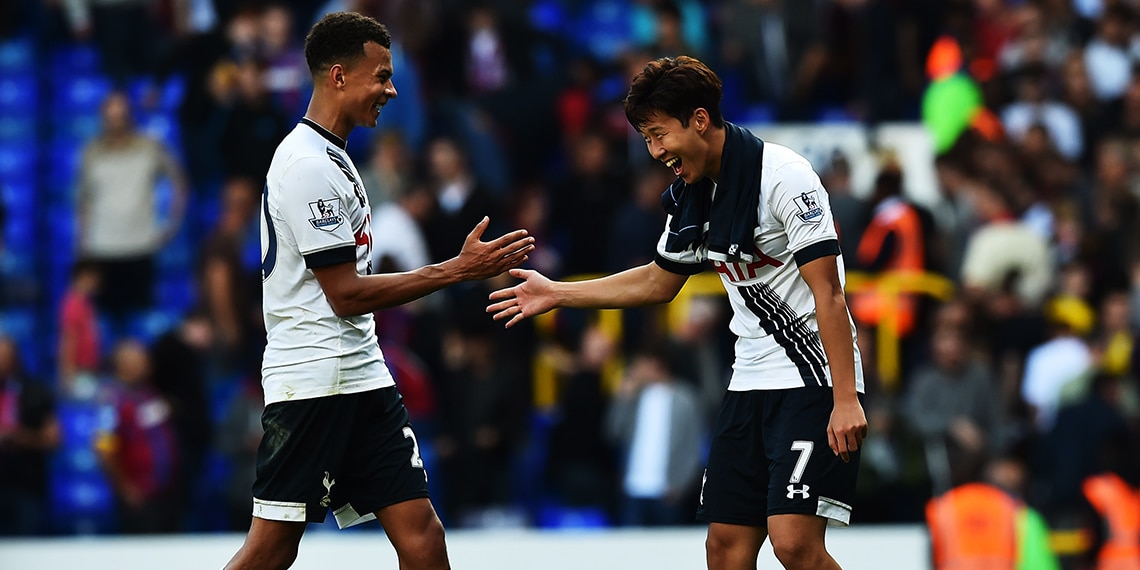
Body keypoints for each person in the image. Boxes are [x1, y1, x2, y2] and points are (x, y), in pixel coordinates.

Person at [488, 55, 867, 570]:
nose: (654, 150)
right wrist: (558, 292)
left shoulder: (785, 177)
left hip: (814, 378)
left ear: (700, 120)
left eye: (659, 134)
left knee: (794, 545)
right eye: (646, 138)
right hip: (750, 382)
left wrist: (845, 399)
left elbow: (830, 294)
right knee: (724, 549)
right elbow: (657, 280)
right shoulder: (693, 195)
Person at [223, 12, 534, 570]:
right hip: (314, 379)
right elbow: (345, 294)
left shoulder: (335, 156)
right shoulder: (307, 165)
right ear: (338, 76)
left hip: (361, 372)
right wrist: (456, 271)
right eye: (382, 76)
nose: (392, 90)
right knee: (272, 549)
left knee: (422, 534)